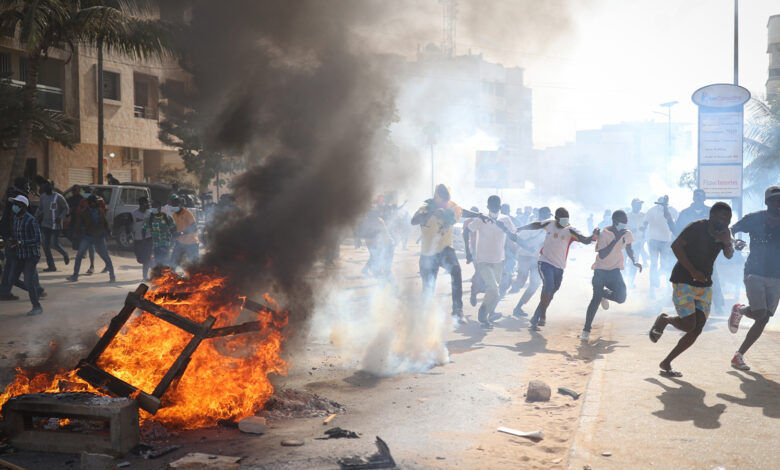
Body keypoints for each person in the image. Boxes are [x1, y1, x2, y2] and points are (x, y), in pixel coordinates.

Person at [648, 202, 734, 377]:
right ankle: (665, 320)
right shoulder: (696, 227)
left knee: (697, 328)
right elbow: (676, 246)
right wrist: (693, 271)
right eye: (721, 217)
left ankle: (666, 363)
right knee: (688, 325)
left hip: (705, 285)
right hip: (683, 280)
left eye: (728, 218)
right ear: (711, 216)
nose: (724, 221)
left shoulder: (726, 233)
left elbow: (729, 254)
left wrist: (727, 243)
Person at [411, 184, 485, 321]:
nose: (445, 203)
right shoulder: (424, 209)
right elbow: (413, 221)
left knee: (456, 271)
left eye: (447, 199)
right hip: (428, 254)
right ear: (436, 197)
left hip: (446, 249)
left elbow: (464, 212)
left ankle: (457, 310)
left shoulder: (453, 207)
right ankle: (424, 316)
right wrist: (431, 213)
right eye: (442, 200)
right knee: (428, 287)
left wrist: (479, 215)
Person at [517, 207, 598, 330]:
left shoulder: (570, 230)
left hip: (559, 267)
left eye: (567, 219)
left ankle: (535, 317)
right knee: (548, 286)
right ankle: (543, 315)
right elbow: (536, 225)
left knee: (551, 292)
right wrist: (521, 228)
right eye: (563, 219)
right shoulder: (549, 224)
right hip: (544, 262)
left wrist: (593, 237)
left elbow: (584, 239)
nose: (565, 222)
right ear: (556, 219)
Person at [727, 185, 780, 371]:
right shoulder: (755, 218)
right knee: (760, 314)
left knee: (764, 318)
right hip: (754, 272)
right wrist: (735, 241)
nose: (778, 204)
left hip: (777, 276)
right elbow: (731, 230)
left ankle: (738, 355)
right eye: (775, 200)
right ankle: (741, 311)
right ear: (767, 202)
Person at [581, 210, 642, 341]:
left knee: (621, 297)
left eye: (626, 222)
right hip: (600, 271)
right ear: (615, 221)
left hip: (614, 270)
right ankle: (586, 329)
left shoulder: (626, 233)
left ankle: (604, 294)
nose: (624, 224)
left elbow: (629, 248)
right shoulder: (603, 234)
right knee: (595, 300)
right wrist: (616, 238)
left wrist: (634, 260)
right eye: (622, 222)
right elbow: (602, 255)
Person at [464, 196, 516, 328]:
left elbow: (513, 236)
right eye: (491, 206)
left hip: (499, 260)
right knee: (493, 289)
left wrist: (504, 228)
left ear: (500, 206)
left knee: (495, 291)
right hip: (483, 260)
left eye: (496, 206)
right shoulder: (481, 219)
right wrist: (468, 251)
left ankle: (487, 315)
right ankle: (483, 313)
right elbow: (466, 230)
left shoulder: (505, 219)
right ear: (487, 207)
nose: (493, 208)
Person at [675, 188, 725, 314]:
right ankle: (688, 306)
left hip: (708, 253)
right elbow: (677, 230)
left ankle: (718, 306)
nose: (698, 199)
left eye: (701, 196)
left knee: (714, 278)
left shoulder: (710, 212)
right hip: (689, 253)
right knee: (685, 277)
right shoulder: (684, 213)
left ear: (704, 199)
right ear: (693, 198)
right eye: (696, 196)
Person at [6, 195, 43, 315]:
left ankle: (37, 306)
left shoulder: (31, 220)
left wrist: (20, 242)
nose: (14, 206)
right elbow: (17, 237)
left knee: (28, 281)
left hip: (31, 255)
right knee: (11, 279)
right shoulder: (16, 218)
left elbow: (38, 239)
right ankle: (33, 291)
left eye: (17, 204)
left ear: (23, 206)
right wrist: (14, 242)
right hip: (20, 254)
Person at [67, 195, 116, 283]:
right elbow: (78, 225)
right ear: (90, 203)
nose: (98, 203)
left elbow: (105, 223)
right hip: (88, 237)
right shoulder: (83, 213)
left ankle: (112, 276)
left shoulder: (100, 210)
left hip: (99, 237)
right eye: (95, 202)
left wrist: (109, 232)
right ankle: (75, 276)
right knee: (79, 256)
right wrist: (75, 234)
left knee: (105, 257)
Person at [511, 207, 551, 311]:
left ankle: (519, 307)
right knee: (520, 282)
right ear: (543, 216)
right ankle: (508, 281)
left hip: (536, 259)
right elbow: (518, 238)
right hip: (525, 257)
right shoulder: (533, 225)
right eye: (547, 216)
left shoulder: (548, 229)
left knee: (535, 283)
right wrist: (528, 248)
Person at [0, 177, 29, 300]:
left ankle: (5, 291)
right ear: (23, 185)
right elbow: (13, 219)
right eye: (27, 184)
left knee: (11, 263)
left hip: (7, 233)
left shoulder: (12, 194)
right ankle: (34, 288)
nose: (28, 187)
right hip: (12, 234)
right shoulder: (19, 199)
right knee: (15, 263)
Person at [646, 195, 678, 297]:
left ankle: (664, 284)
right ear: (658, 203)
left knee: (665, 265)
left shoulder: (671, 210)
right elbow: (645, 223)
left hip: (666, 242)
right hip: (653, 241)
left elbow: (677, 221)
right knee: (654, 264)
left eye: (664, 204)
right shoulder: (651, 210)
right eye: (660, 203)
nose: (662, 206)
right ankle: (652, 290)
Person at [36, 181, 70, 272]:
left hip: (56, 225)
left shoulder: (58, 197)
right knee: (45, 245)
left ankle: (65, 253)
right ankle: (51, 266)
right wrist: (35, 216)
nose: (46, 189)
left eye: (48, 188)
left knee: (54, 244)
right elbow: (40, 208)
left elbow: (66, 208)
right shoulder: (43, 197)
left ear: (51, 188)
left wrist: (60, 217)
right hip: (45, 224)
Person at [144, 200, 177, 270]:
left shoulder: (167, 217)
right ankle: (159, 276)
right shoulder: (149, 218)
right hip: (156, 244)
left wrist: (173, 240)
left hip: (166, 244)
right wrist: (144, 241)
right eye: (152, 207)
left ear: (159, 208)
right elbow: (143, 228)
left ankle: (165, 276)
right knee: (157, 261)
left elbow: (174, 228)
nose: (153, 208)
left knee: (165, 261)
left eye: (154, 207)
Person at [169, 195, 200, 270]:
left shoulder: (187, 213)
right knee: (173, 262)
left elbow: (194, 227)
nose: (173, 206)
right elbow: (175, 227)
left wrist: (181, 233)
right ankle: (172, 278)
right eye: (172, 205)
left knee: (194, 264)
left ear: (180, 205)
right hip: (180, 243)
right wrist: (172, 232)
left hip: (191, 243)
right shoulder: (174, 215)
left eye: (175, 205)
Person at [463, 206, 485, 307]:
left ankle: (476, 291)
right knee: (479, 271)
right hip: (475, 250)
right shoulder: (468, 222)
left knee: (481, 272)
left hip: (485, 250)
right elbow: (465, 236)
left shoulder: (483, 220)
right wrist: (467, 251)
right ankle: (474, 291)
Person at [625, 198, 647, 287]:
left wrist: (644, 230)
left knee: (634, 263)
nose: (640, 206)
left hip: (637, 243)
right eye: (638, 204)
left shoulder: (643, 215)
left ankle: (630, 282)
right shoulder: (627, 216)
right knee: (622, 262)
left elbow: (647, 226)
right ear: (633, 205)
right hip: (625, 243)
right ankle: (622, 281)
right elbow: (621, 228)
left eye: (640, 205)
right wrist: (630, 230)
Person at [132, 196, 153, 281]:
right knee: (140, 259)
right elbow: (130, 225)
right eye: (147, 202)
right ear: (142, 204)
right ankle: (152, 264)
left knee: (147, 258)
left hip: (148, 238)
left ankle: (145, 276)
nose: (148, 204)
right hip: (138, 239)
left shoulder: (150, 213)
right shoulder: (133, 213)